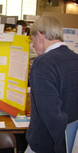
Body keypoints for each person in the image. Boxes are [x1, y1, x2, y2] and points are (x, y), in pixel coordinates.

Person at [25, 16, 78, 153]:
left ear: (40, 36)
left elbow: (51, 114)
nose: (34, 46)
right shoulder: (75, 58)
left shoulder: (42, 63)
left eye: (33, 41)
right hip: (71, 140)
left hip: (47, 144)